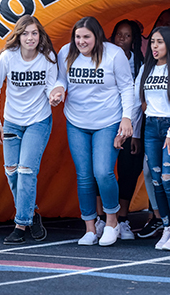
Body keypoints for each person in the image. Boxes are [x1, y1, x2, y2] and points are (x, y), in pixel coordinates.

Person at [49, 16, 134, 246]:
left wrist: (127, 118)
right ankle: (89, 226)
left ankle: (111, 222)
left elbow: (127, 87)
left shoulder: (114, 54)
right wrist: (57, 91)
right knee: (84, 176)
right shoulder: (66, 52)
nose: (81, 41)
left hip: (107, 121)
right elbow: (61, 79)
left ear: (97, 36)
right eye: (78, 37)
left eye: (86, 37)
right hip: (76, 121)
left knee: (103, 172)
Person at [0, 14, 58, 244]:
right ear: (18, 36)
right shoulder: (8, 57)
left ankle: (21, 224)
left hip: (38, 120)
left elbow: (51, 86)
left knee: (27, 169)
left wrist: (54, 95)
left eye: (34, 33)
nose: (30, 37)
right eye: (25, 33)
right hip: (12, 122)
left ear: (40, 36)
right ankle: (32, 212)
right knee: (12, 172)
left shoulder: (47, 58)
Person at [132, 26, 170, 251]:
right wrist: (134, 133)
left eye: (160, 42)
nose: (155, 47)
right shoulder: (147, 69)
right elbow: (138, 103)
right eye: (153, 42)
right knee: (156, 181)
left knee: (169, 179)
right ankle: (167, 227)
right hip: (151, 127)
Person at [108, 19, 145, 240]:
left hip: (130, 123)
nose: (122, 39)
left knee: (129, 170)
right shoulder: (103, 57)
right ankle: (103, 218)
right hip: (106, 121)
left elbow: (138, 100)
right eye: (119, 34)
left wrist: (135, 132)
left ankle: (122, 218)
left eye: (127, 35)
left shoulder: (139, 63)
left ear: (134, 40)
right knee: (102, 170)